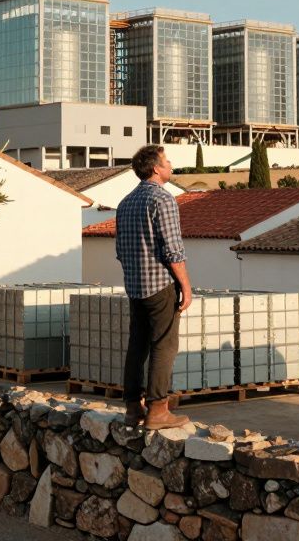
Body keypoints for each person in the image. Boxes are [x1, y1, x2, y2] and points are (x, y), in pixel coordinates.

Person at [116, 145, 192, 429]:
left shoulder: (125, 202)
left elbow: (120, 250)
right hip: (160, 285)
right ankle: (158, 409)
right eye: (167, 161)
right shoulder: (163, 199)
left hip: (135, 286)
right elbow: (173, 250)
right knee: (164, 345)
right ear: (156, 168)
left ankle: (132, 408)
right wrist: (186, 286)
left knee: (137, 345)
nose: (170, 165)